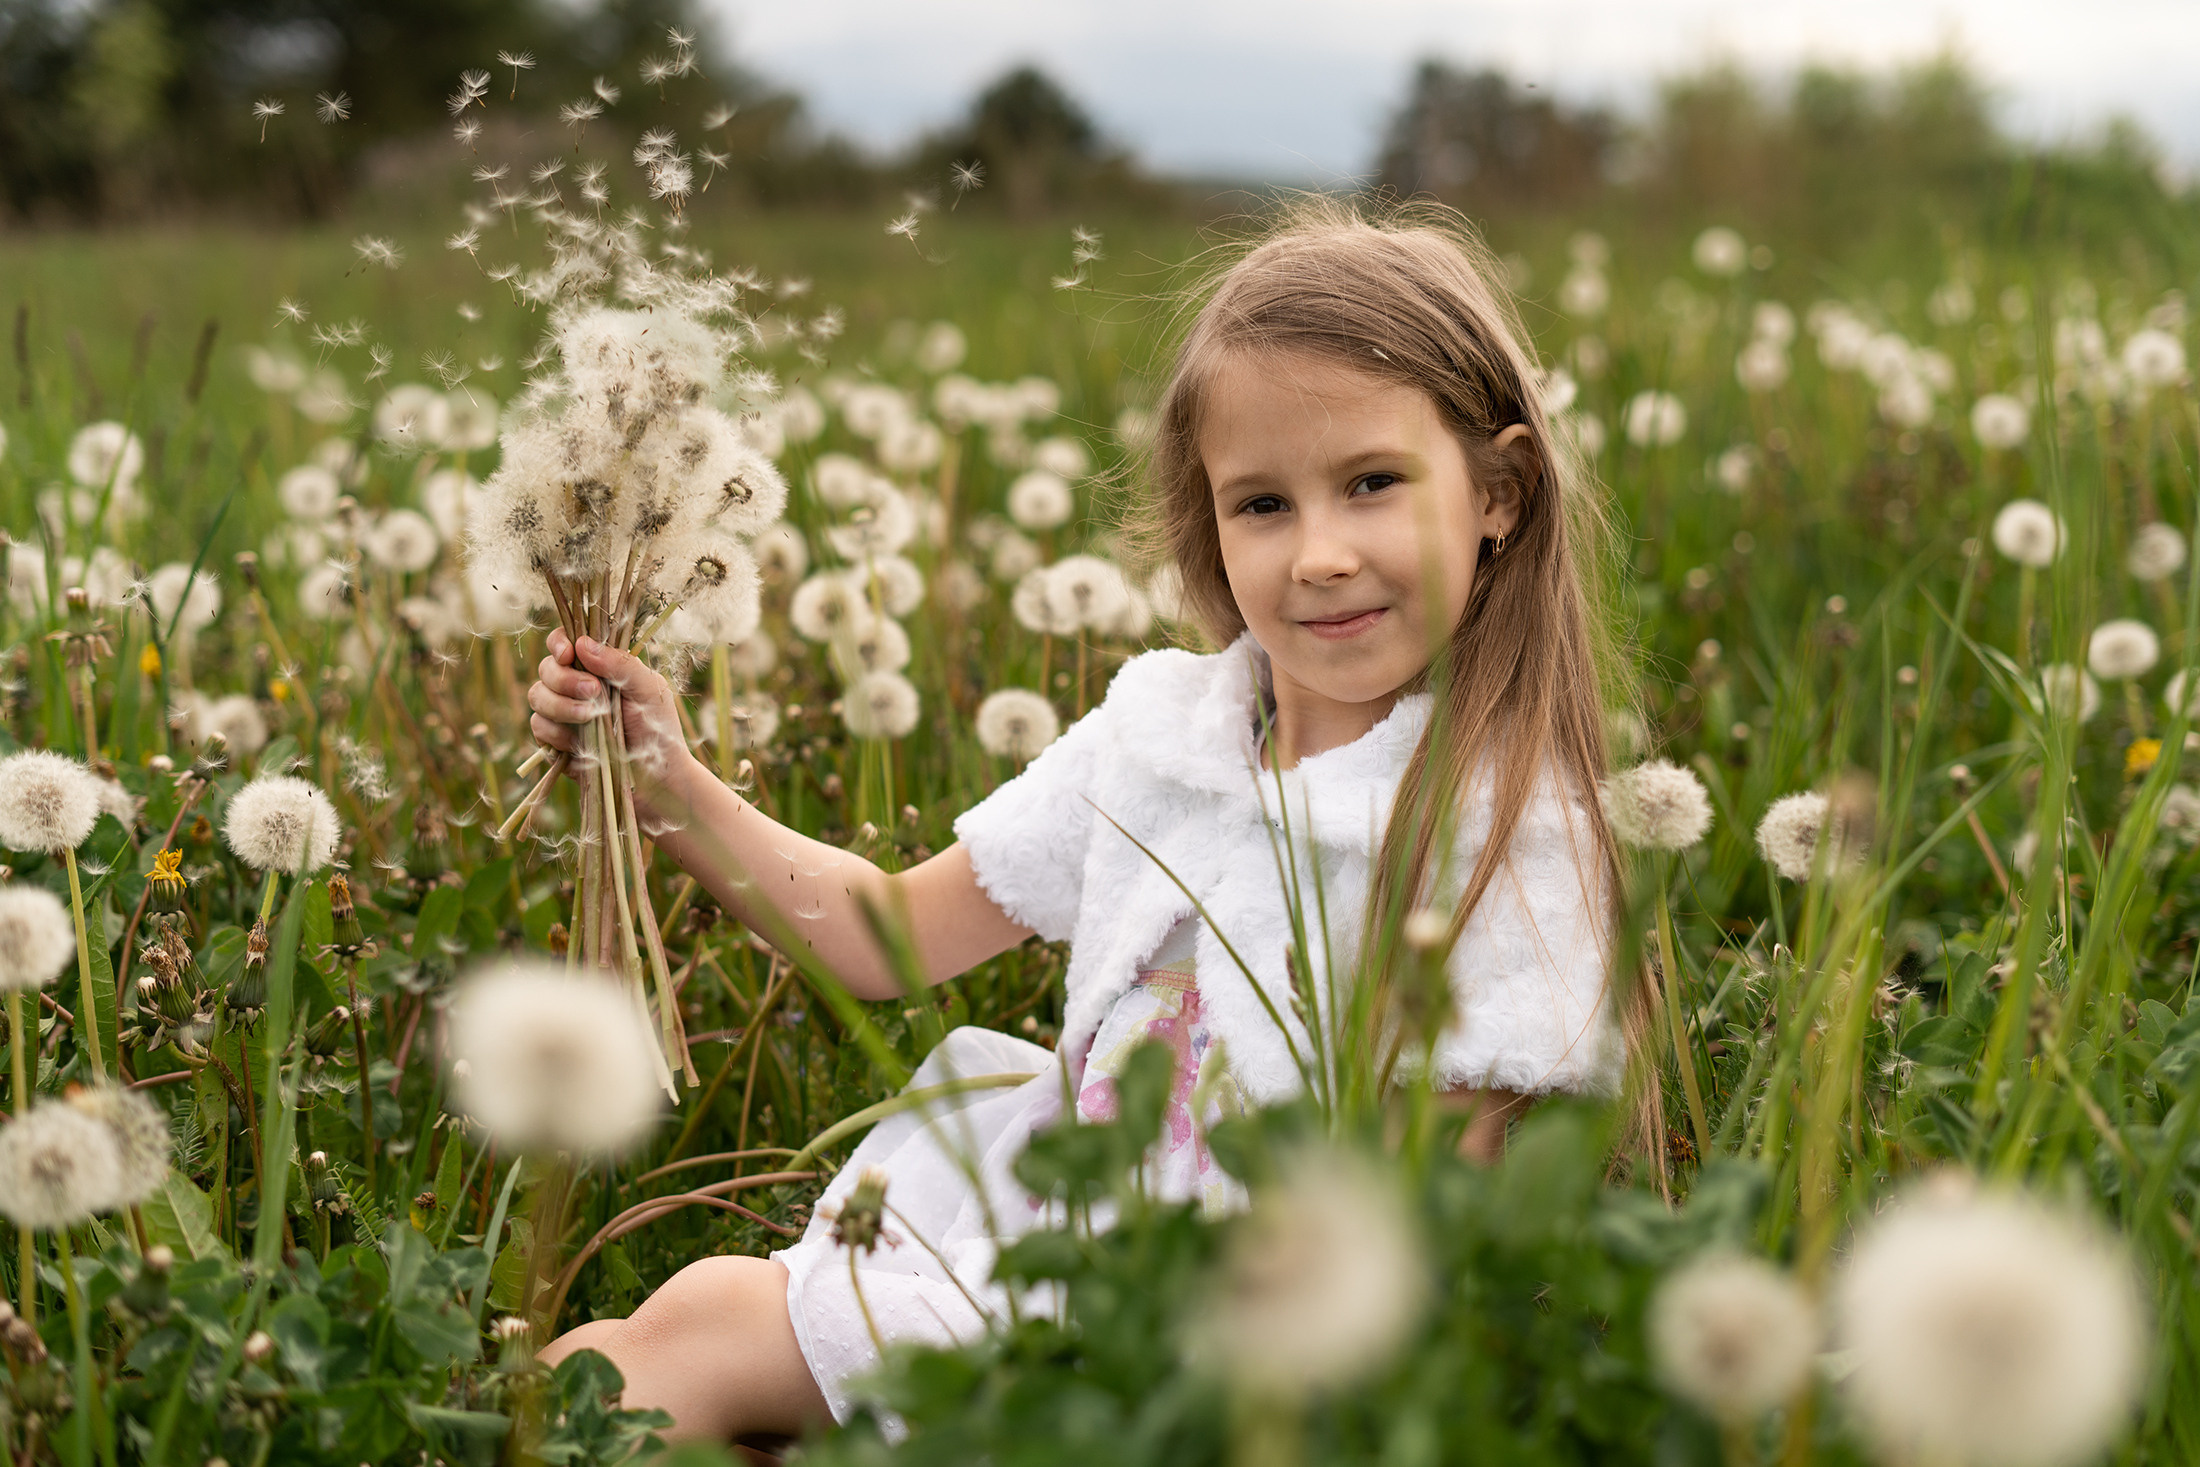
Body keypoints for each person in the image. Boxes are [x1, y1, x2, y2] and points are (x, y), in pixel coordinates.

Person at [525, 199, 1647, 1447]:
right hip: (1034, 1252)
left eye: (1371, 484)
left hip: (1193, 1354)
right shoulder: (1161, 739)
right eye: (1262, 504)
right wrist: (665, 779)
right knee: (646, 1352)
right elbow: (886, 934)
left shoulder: (1506, 835)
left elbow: (1428, 1231)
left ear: (1499, 493)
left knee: (699, 1339)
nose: (1319, 554)